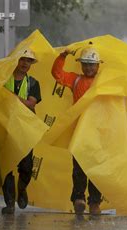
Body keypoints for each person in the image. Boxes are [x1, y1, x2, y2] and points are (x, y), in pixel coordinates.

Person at [51, 46, 103, 215]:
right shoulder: (75, 80)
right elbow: (57, 74)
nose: (89, 68)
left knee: (95, 168)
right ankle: (78, 199)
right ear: (81, 66)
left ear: (98, 66)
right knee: (79, 167)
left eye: (92, 65)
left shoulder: (104, 82)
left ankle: (95, 202)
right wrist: (62, 56)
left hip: (98, 133)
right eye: (86, 64)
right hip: (79, 132)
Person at [2, 49, 42, 214]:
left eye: (29, 61)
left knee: (26, 165)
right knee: (6, 166)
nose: (25, 64)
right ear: (16, 61)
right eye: (22, 60)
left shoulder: (33, 83)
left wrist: (11, 97)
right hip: (6, 127)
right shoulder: (4, 79)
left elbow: (31, 104)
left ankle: (22, 188)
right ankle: (10, 203)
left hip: (25, 129)